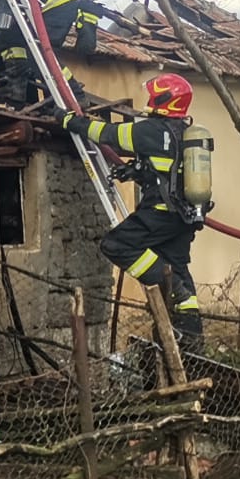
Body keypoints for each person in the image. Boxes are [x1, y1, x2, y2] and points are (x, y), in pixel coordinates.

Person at [48, 73, 205, 342]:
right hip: (184, 217)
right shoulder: (183, 133)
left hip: (160, 213)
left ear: (164, 100)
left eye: (154, 94)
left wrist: (69, 121)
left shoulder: (151, 130)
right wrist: (136, 171)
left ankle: (172, 289)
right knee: (177, 264)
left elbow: (107, 134)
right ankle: (191, 336)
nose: (149, 98)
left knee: (116, 245)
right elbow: (165, 172)